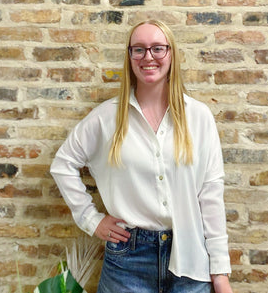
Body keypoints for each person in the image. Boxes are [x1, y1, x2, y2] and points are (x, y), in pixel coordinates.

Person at [50, 19, 233, 293]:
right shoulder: (106, 118)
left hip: (190, 259)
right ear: (130, 56)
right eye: (139, 49)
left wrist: (220, 273)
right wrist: (91, 219)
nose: (148, 57)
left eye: (158, 48)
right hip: (127, 260)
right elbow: (63, 164)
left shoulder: (199, 117)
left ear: (171, 54)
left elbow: (211, 194)